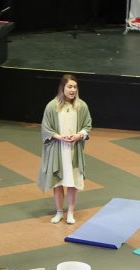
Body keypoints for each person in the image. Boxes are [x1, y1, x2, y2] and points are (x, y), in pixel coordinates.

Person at [38, 74, 92, 225]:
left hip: (74, 150)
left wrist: (79, 135)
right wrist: (59, 137)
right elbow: (46, 128)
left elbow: (87, 126)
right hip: (58, 150)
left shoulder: (81, 106)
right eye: (70, 86)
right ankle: (59, 212)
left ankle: (70, 212)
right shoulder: (52, 106)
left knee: (72, 182)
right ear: (62, 88)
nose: (73, 90)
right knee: (58, 182)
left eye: (75, 87)